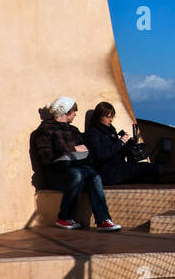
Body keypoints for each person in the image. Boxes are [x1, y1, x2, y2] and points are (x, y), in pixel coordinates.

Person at [29, 97, 123, 231]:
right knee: (77, 174)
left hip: (76, 168)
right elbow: (47, 157)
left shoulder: (73, 130)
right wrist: (72, 149)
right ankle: (64, 217)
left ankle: (103, 220)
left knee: (94, 175)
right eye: (73, 111)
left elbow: (85, 148)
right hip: (56, 173)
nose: (75, 114)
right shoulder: (45, 131)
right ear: (66, 112)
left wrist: (83, 151)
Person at [83, 101, 175, 186]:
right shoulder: (93, 133)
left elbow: (118, 150)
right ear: (99, 117)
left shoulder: (110, 130)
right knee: (145, 168)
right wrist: (120, 142)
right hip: (109, 172)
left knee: (147, 177)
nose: (111, 120)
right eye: (108, 117)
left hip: (120, 168)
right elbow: (102, 155)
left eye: (112, 117)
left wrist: (129, 143)